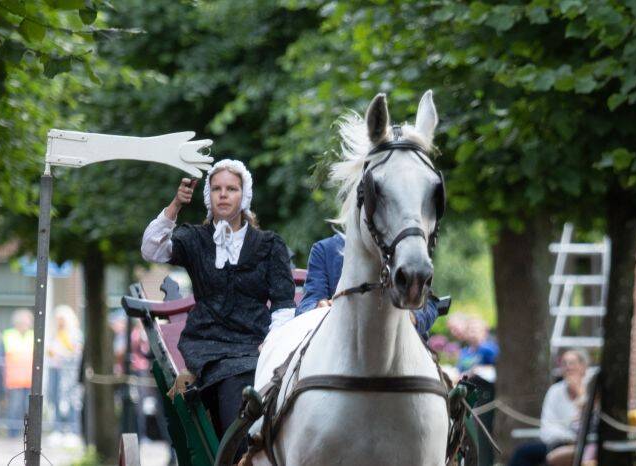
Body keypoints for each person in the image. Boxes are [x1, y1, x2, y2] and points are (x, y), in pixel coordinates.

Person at [141, 159, 295, 452]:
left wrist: (273, 342)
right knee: (235, 384)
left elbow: (284, 305)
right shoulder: (195, 238)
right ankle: (238, 453)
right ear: (208, 196)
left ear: (244, 196)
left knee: (264, 380)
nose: (223, 194)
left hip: (256, 343)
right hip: (208, 346)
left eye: (231, 189)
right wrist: (175, 205)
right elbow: (151, 248)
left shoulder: (269, 244)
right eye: (216, 189)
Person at [295, 232, 439, 337]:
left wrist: (413, 318)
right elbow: (306, 305)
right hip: (341, 342)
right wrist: (320, 307)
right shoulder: (325, 250)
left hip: (398, 345)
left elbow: (429, 304)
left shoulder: (401, 248)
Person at [508, 349, 590, 466]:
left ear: (583, 367)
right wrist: (565, 438)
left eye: (572, 363)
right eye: (564, 363)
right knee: (522, 453)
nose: (568, 367)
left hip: (585, 444)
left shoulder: (592, 390)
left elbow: (589, 423)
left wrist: (580, 394)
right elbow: (547, 425)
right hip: (556, 442)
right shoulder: (555, 391)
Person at [47, 305, 82, 438]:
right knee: (54, 397)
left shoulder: (75, 333)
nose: (59, 322)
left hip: (69, 372)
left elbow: (76, 351)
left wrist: (62, 353)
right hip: (55, 369)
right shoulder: (54, 333)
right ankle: (58, 429)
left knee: (72, 399)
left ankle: (73, 430)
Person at [2, 308, 34, 438]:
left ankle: (28, 433)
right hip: (14, 380)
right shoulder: (9, 335)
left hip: (30, 379)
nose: (27, 325)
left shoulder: (33, 335)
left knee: (28, 407)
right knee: (14, 407)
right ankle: (12, 433)